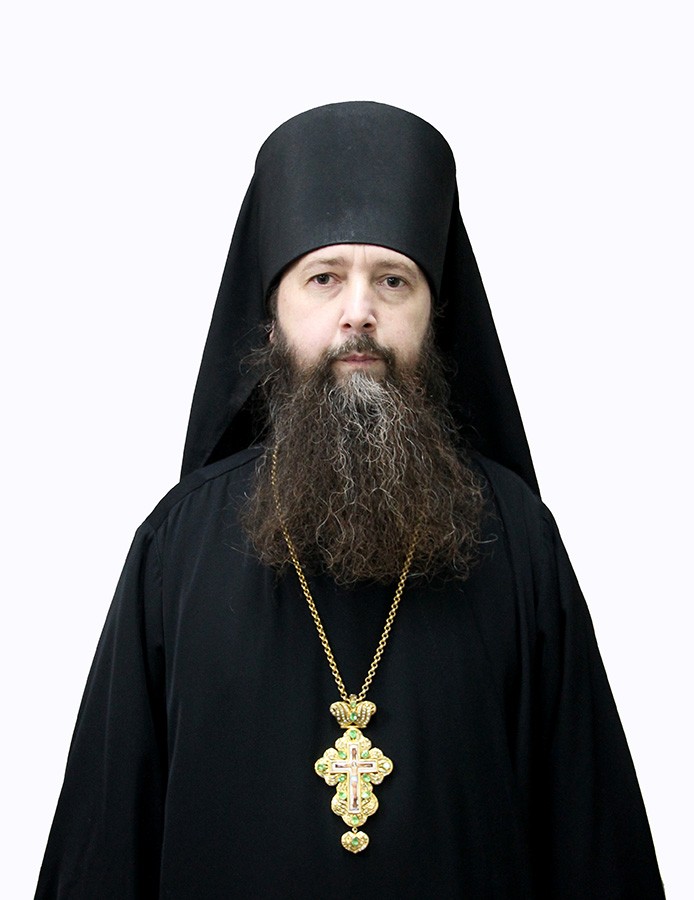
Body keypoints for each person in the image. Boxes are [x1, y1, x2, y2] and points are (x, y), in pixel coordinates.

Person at [35, 102, 664, 898]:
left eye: (392, 281)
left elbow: (593, 845)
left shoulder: (516, 540)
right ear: (272, 316)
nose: (358, 312)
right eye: (324, 278)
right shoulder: (177, 548)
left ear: (434, 317)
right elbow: (103, 850)